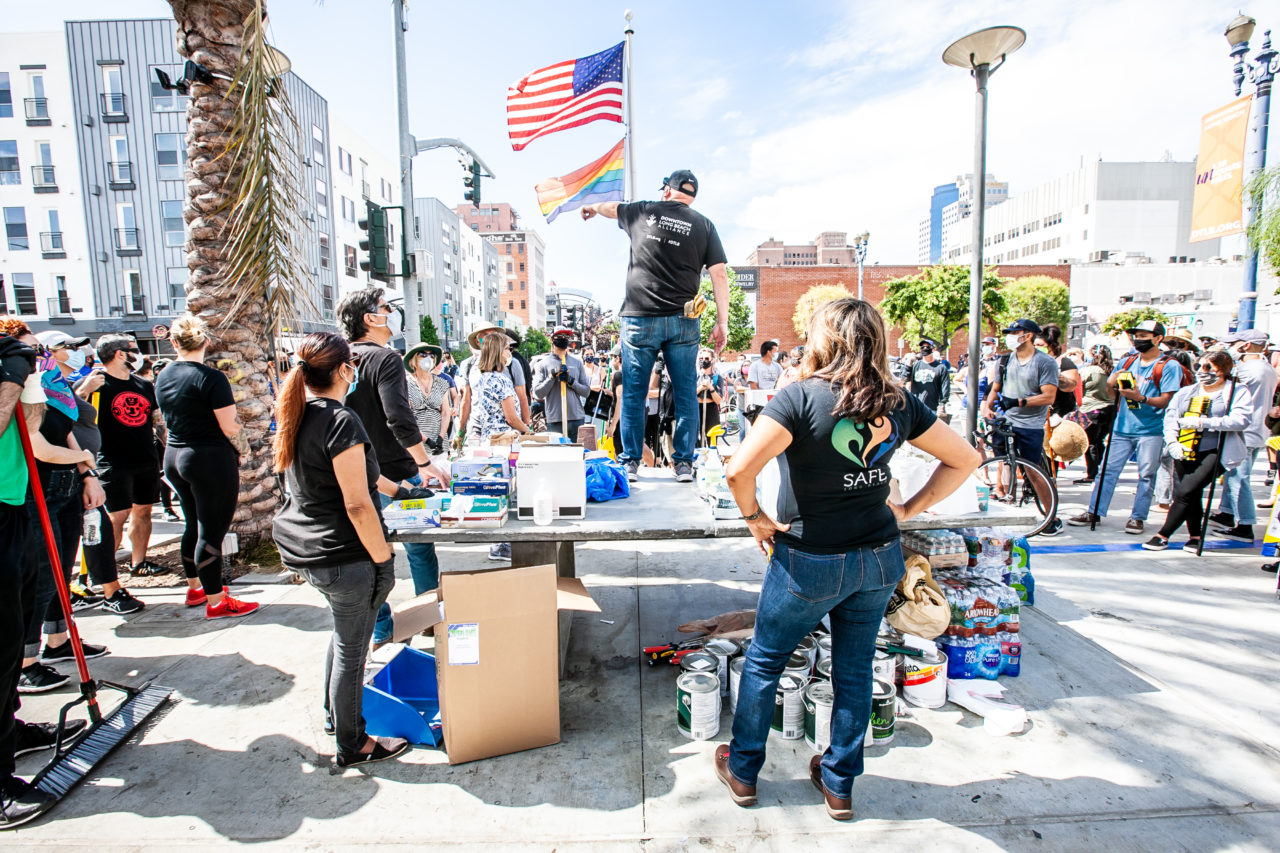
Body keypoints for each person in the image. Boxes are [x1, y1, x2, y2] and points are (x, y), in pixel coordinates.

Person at [716, 298, 980, 820]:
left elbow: (737, 471)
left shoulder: (798, 398)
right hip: (879, 557)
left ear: (824, 340)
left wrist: (756, 518)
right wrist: (906, 508)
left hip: (810, 559)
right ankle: (839, 783)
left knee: (766, 660)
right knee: (855, 670)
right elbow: (966, 457)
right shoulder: (898, 403)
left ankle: (744, 772)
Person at [270, 332, 409, 769]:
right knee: (353, 652)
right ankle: (353, 743)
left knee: (343, 639)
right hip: (342, 555)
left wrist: (405, 490)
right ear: (345, 370)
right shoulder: (339, 419)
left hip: (309, 550)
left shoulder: (299, 415)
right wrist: (383, 559)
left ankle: (338, 720)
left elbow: (360, 480)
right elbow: (356, 502)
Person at [580, 169, 730, 483]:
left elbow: (611, 207)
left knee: (634, 392)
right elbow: (719, 275)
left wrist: (592, 207)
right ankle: (684, 465)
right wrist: (722, 323)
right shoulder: (704, 225)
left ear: (667, 191)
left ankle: (632, 462)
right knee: (687, 392)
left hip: (640, 317)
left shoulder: (644, 210)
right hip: (684, 320)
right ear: (691, 197)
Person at [0, 320, 90, 827]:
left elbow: (31, 429)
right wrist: (13, 371)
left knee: (12, 633)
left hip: (14, 504)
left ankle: (8, 732)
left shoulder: (12, 362)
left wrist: (26, 375)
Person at [336, 288, 446, 648]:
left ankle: (382, 629)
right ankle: (429, 618)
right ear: (370, 319)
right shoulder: (385, 359)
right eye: (386, 309)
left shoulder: (338, 359)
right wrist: (424, 462)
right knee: (418, 546)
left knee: (370, 550)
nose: (391, 314)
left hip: (351, 473)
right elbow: (397, 416)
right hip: (397, 474)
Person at [153, 315, 258, 619]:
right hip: (208, 458)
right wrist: (244, 450)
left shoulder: (164, 374)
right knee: (211, 531)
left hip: (174, 455)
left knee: (192, 524)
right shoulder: (210, 378)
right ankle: (216, 601)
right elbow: (229, 425)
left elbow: (163, 419)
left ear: (173, 342)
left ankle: (196, 587)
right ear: (207, 341)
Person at [35, 331, 143, 615]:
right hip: (57, 476)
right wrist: (82, 461)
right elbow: (53, 433)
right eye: (68, 347)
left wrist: (85, 470)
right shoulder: (45, 387)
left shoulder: (60, 386)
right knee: (93, 534)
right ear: (50, 352)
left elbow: (70, 430)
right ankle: (104, 590)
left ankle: (97, 591)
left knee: (95, 532)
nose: (77, 352)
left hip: (79, 473)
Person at [1069, 320, 1184, 533]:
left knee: (1147, 474)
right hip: (1122, 428)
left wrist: (1140, 398)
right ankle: (1094, 511)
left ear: (1158, 338)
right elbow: (1111, 385)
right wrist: (1117, 392)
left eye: (1144, 335)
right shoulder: (1129, 361)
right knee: (1106, 471)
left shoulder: (1168, 366)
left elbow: (1168, 400)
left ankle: (1138, 517)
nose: (1138, 339)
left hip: (1152, 429)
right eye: (1136, 335)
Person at [1143, 351, 1251, 552]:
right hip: (1186, 448)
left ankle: (1163, 534)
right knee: (1192, 493)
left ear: (1223, 369)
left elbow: (1241, 420)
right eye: (1199, 366)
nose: (1202, 371)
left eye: (1208, 367)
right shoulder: (1188, 391)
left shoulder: (1236, 391)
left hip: (1215, 450)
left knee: (1184, 492)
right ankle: (1195, 536)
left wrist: (1204, 422)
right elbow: (1171, 417)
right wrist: (1173, 442)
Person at [90, 335, 168, 578]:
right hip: (112, 462)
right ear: (120, 354)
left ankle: (139, 562)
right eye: (134, 349)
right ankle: (106, 574)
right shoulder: (96, 385)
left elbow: (158, 423)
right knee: (116, 516)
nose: (139, 354)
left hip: (145, 460)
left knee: (143, 510)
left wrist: (167, 451)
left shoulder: (143, 386)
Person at [980, 319, 1063, 536]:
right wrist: (988, 406)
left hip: (1031, 425)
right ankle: (1007, 509)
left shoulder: (1044, 362)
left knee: (1033, 470)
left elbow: (1049, 396)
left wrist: (1020, 402)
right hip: (1007, 420)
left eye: (1015, 332)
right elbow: (995, 388)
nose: (1011, 336)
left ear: (1028, 335)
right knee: (1005, 464)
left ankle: (1050, 517)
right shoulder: (1005, 360)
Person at [1209, 329, 1278, 543]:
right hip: (1258, 429)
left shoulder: (1246, 370)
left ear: (1245, 346)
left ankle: (1245, 524)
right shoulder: (1267, 368)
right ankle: (1227, 513)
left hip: (1243, 430)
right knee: (1232, 475)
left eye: (1235, 344)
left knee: (1239, 477)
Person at [458, 323, 531, 440]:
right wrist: (527, 430)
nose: (509, 352)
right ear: (499, 351)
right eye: (507, 348)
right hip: (504, 438)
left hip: (488, 437)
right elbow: (511, 418)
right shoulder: (500, 380)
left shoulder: (485, 377)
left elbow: (522, 398)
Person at [533, 328, 590, 440]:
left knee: (576, 454)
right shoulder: (542, 365)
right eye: (559, 337)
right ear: (551, 340)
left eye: (566, 337)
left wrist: (571, 381)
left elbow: (586, 392)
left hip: (576, 418)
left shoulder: (577, 363)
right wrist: (551, 377)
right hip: (555, 420)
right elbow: (538, 393)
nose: (563, 339)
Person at [1075, 344, 1117, 485]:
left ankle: (1092, 474)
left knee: (1090, 443)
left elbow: (1078, 391)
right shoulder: (1112, 370)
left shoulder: (1087, 370)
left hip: (1091, 409)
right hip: (1110, 409)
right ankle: (1103, 470)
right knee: (1101, 441)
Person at [403, 343, 452, 459]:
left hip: (439, 443)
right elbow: (406, 417)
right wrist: (426, 440)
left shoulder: (441, 382)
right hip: (416, 444)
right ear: (414, 359)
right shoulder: (405, 383)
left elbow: (445, 412)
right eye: (423, 354)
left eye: (431, 355)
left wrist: (440, 437)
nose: (428, 358)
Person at [909, 338, 950, 416]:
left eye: (928, 347)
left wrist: (942, 405)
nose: (925, 349)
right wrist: (908, 363)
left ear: (933, 349)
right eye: (922, 347)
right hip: (916, 408)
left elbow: (945, 388)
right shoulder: (916, 365)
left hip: (932, 408)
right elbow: (905, 379)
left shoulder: (940, 368)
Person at [694, 347, 724, 446]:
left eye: (707, 358)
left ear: (712, 360)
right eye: (701, 359)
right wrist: (700, 388)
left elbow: (719, 400)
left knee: (712, 440)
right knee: (695, 439)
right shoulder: (695, 376)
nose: (703, 361)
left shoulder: (717, 377)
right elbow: (689, 395)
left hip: (711, 410)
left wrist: (711, 387)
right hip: (697, 408)